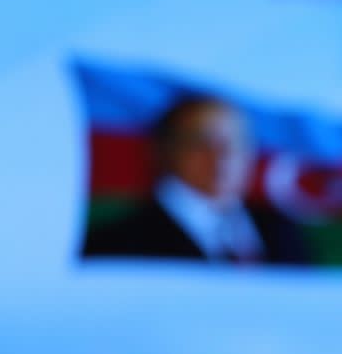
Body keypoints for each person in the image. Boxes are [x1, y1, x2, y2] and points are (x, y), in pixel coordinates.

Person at [82, 94, 309, 265]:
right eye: (203, 142)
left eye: (235, 142)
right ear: (165, 151)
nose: (222, 156)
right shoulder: (117, 245)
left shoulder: (281, 231)